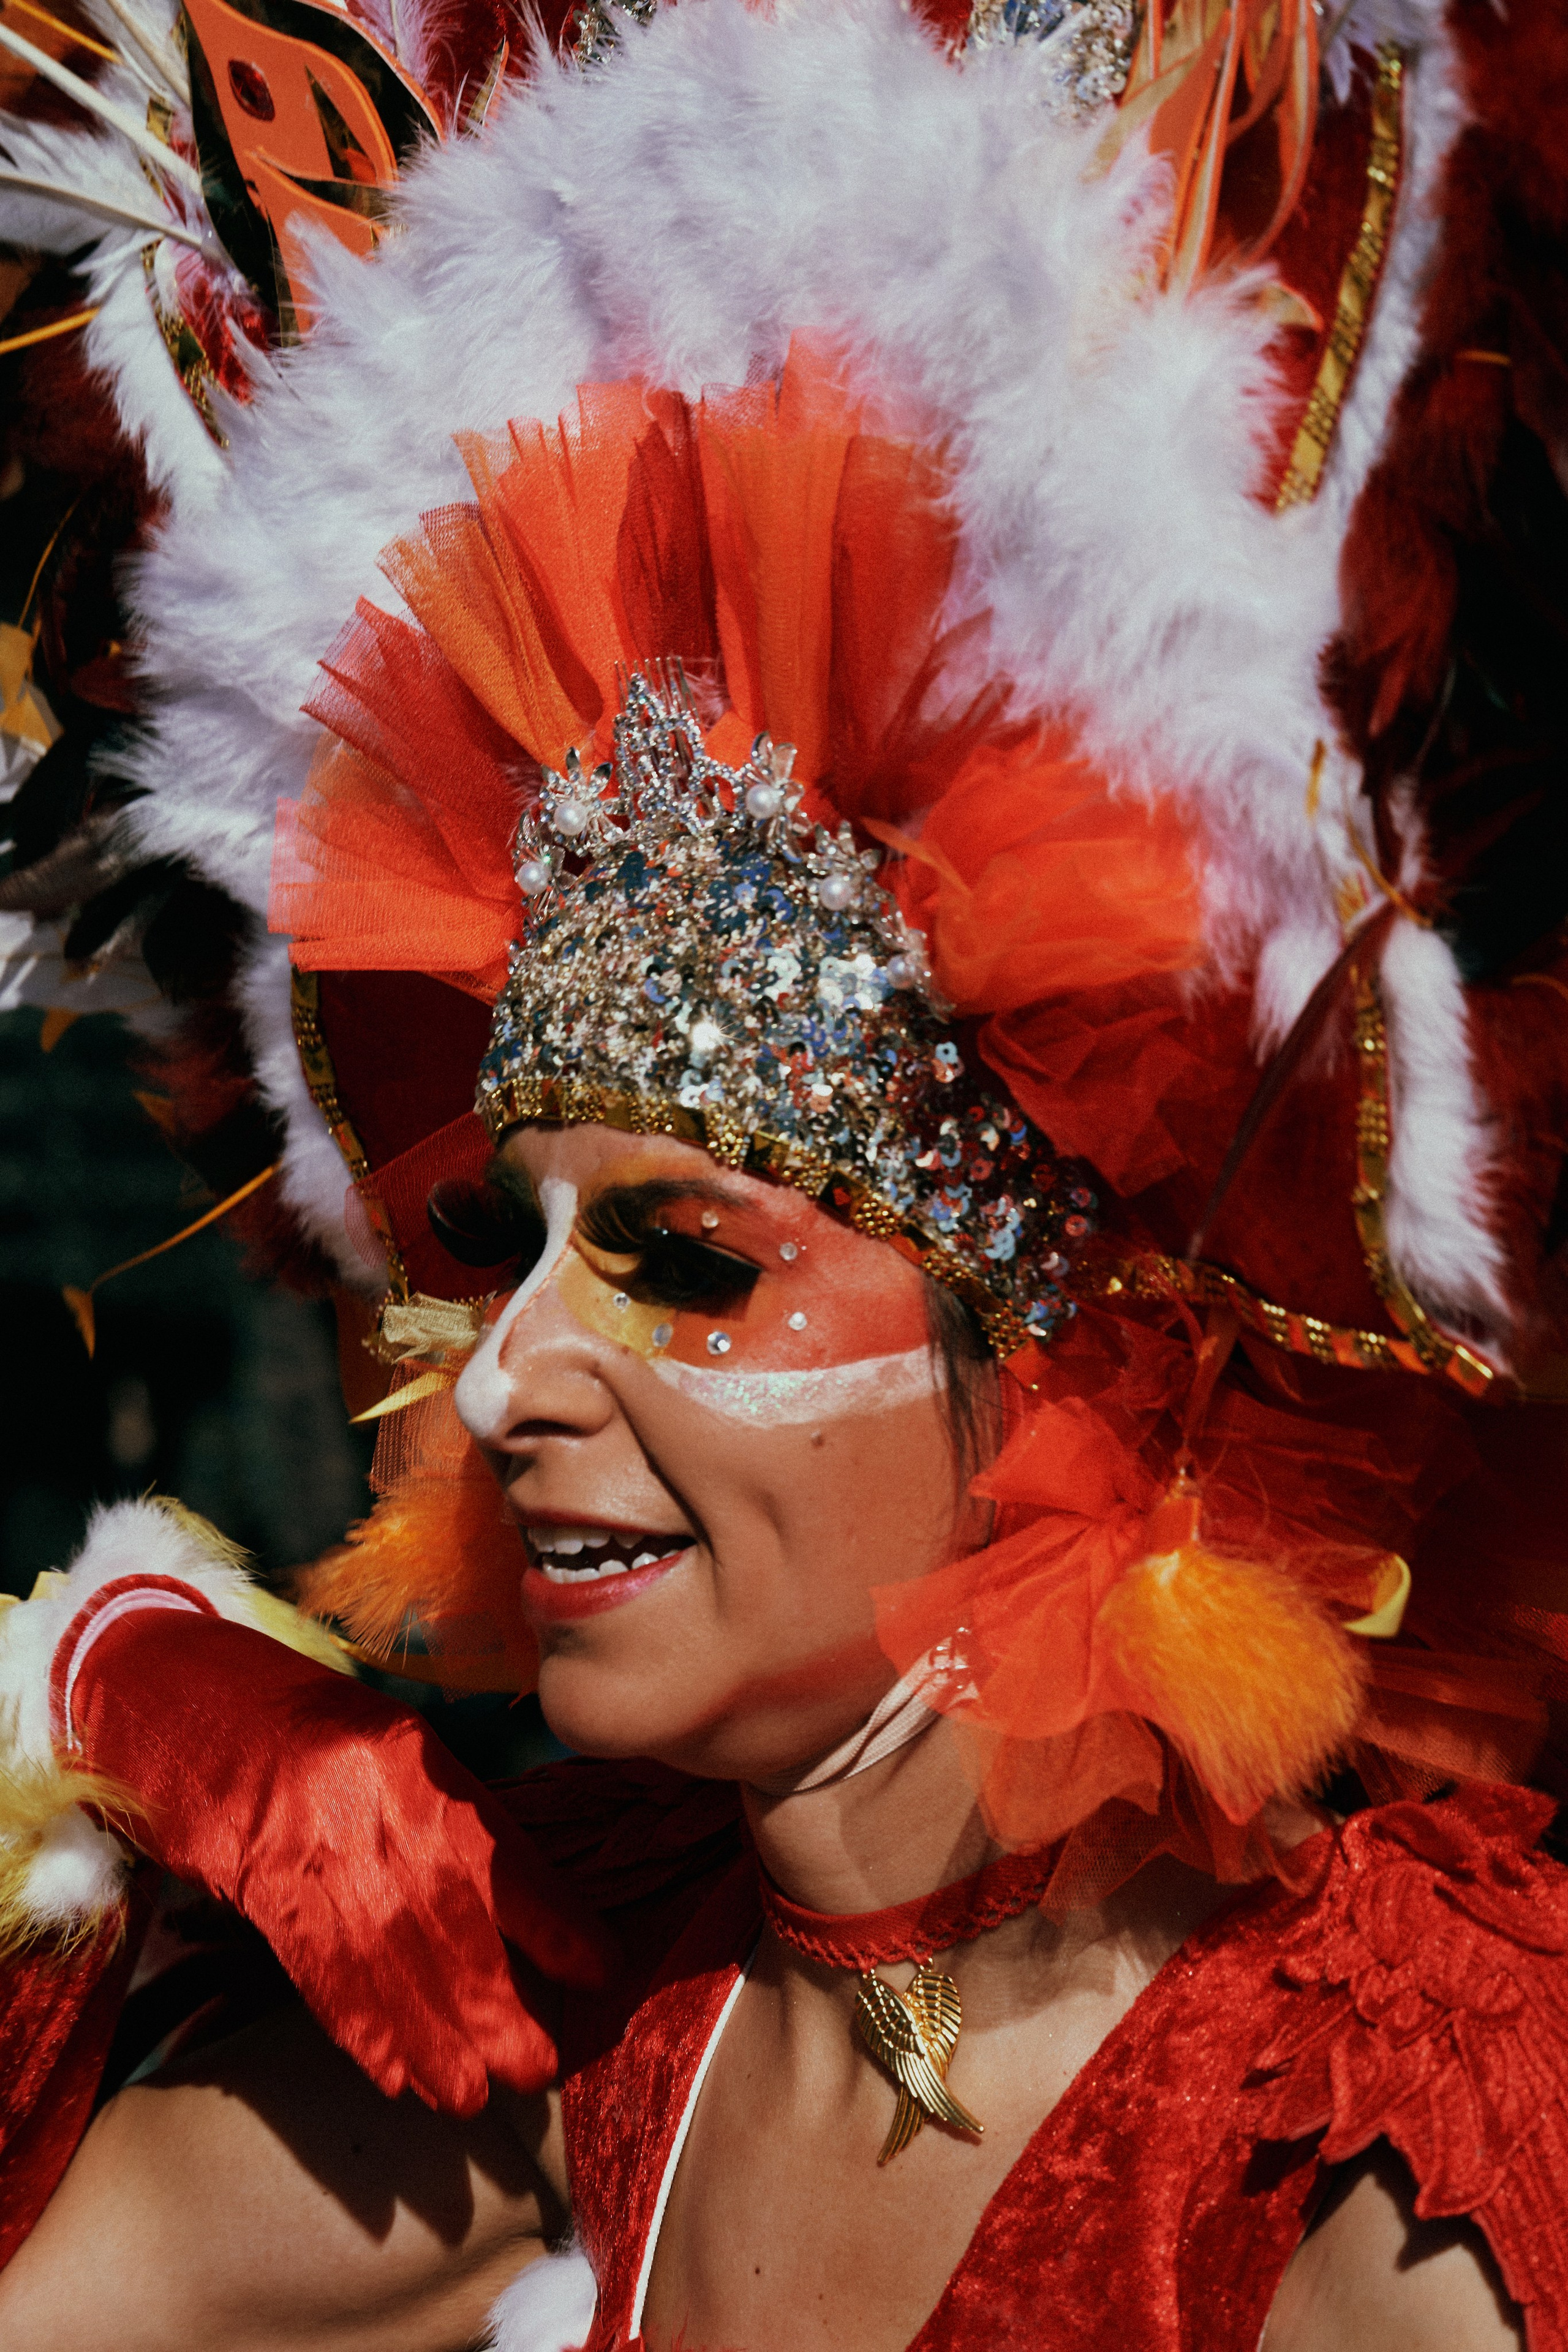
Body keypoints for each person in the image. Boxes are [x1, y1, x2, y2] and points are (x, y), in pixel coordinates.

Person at [1, 0, 1566, 2344]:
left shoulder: (1360, 2148)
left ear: (1049, 1343)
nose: (505, 1377)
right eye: (506, 1244)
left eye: (680, 1256)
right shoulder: (562, 2031)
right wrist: (83, 1702)